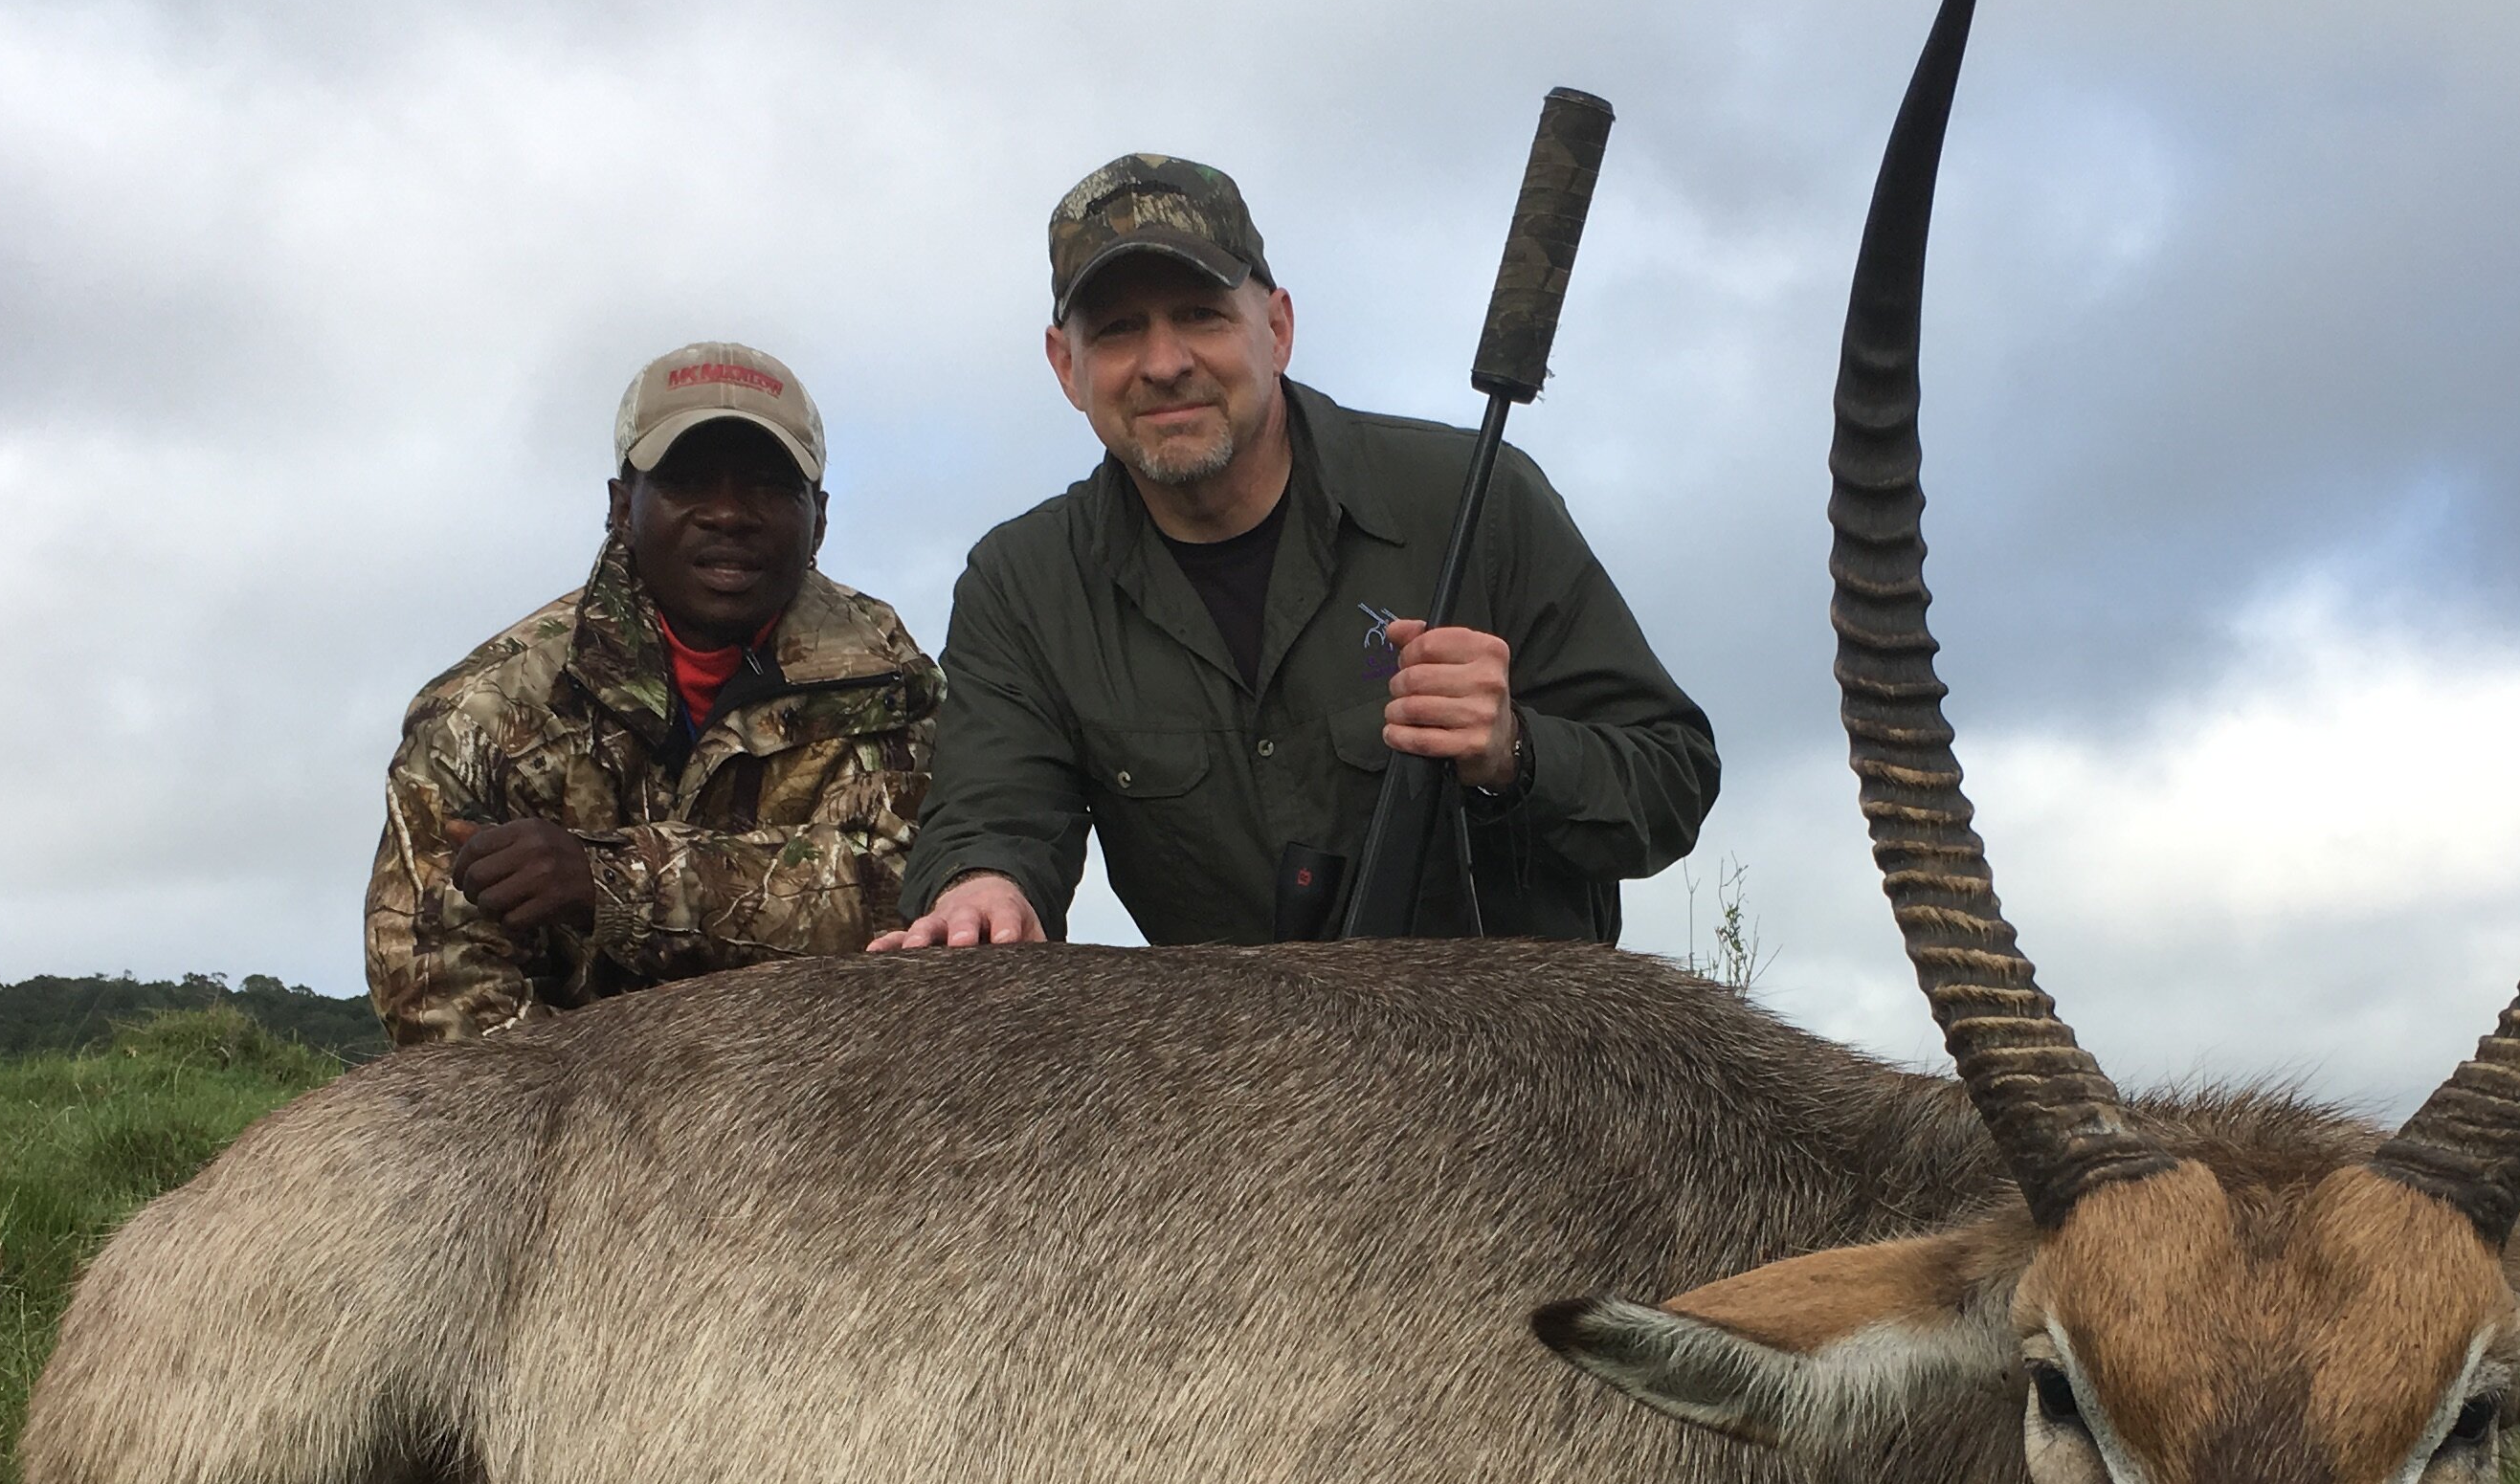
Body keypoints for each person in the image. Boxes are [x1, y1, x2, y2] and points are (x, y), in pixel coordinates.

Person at [875, 154, 1714, 951]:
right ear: (1067, 366)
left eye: (1201, 315)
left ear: (1275, 328)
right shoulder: (1020, 586)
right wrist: (980, 887)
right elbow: (993, 817)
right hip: (1243, 1081)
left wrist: (1515, 754)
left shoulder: (1477, 498)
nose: (1165, 363)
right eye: (1120, 331)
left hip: (1512, 1061)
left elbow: (1670, 780)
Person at [365, 343, 936, 1047]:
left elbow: (906, 896)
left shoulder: (894, 685)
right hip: (577, 1118)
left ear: (818, 518)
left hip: (826, 1105)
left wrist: (612, 882)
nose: (728, 514)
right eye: (688, 481)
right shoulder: (482, 714)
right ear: (621, 507)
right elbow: (433, 985)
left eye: (767, 484)